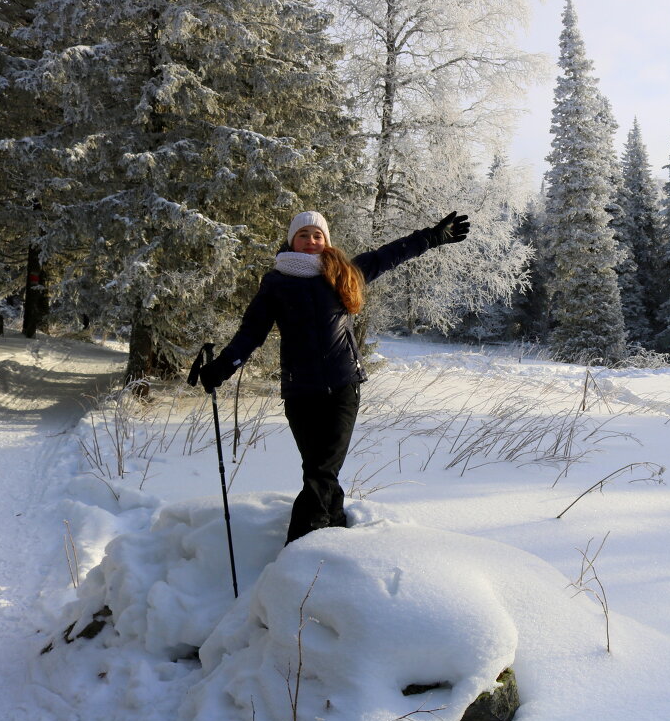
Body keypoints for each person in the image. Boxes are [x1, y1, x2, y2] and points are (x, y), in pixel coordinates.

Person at [198, 210, 470, 543]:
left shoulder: (345, 272)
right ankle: (337, 534)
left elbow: (390, 254)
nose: (311, 240)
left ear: (326, 241)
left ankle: (299, 547)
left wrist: (430, 237)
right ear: (291, 241)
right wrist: (222, 368)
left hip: (343, 387)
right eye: (304, 235)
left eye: (317, 235)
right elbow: (251, 333)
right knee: (320, 470)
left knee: (321, 471)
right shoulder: (276, 284)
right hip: (300, 393)